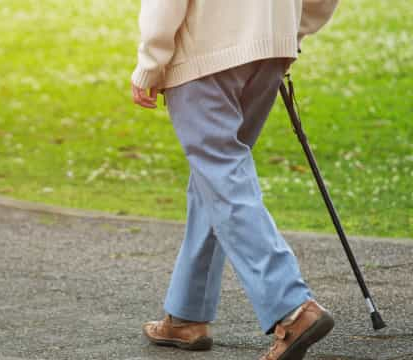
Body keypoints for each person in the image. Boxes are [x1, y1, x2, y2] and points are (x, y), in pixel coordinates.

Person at [130, 1, 339, 359]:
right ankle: (186, 315)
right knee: (214, 181)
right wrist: (289, 31)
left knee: (223, 178)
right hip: (270, 51)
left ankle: (292, 308)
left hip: (204, 54)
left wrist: (150, 62)